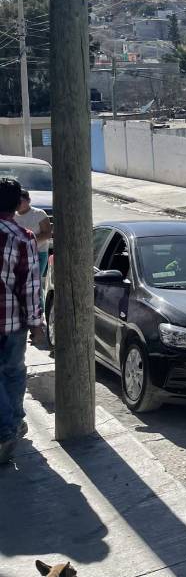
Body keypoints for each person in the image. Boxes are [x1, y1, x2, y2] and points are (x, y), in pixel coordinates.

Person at [0, 178, 46, 464]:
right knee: (14, 372)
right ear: (18, 204)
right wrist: (36, 324)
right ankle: (11, 426)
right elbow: (30, 286)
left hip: (10, 321)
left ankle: (10, 427)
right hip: (11, 322)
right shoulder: (22, 237)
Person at [15, 190, 51, 278]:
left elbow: (47, 234)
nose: (17, 203)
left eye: (20, 201)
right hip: (18, 254)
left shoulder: (39, 213)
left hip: (38, 253)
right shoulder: (12, 215)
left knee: (35, 281)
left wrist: (27, 241)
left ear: (29, 200)